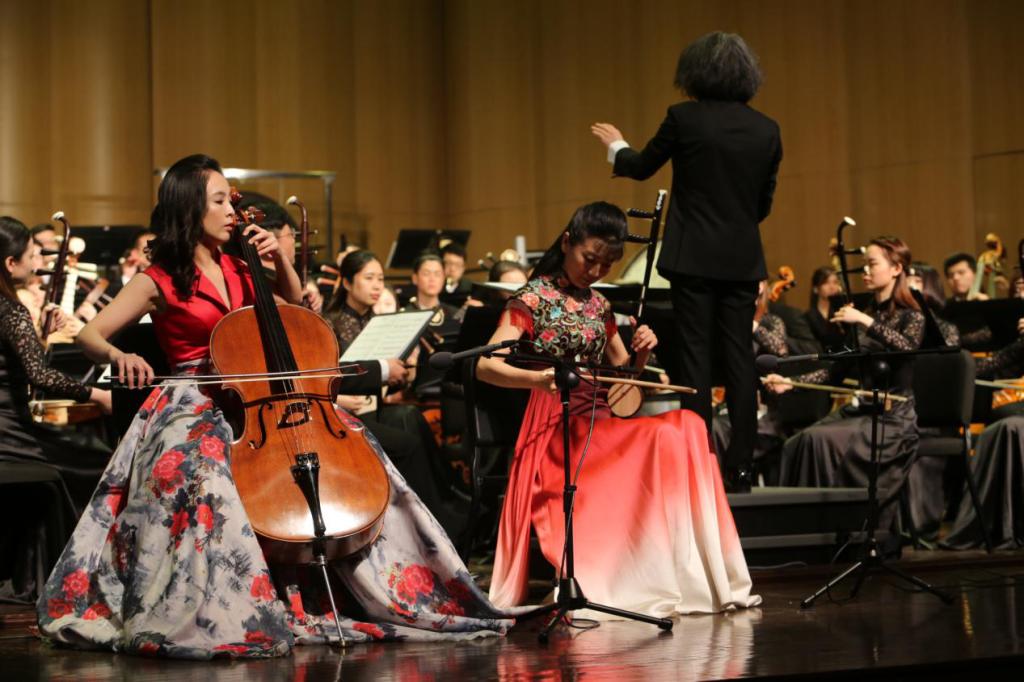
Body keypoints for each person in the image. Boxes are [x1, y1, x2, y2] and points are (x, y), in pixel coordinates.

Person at [36, 154, 507, 660]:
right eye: (219, 201)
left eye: (229, 201)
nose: (231, 212)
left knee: (363, 451)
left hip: (263, 397)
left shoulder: (242, 267)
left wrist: (279, 258)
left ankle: (399, 584)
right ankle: (222, 602)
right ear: (190, 208)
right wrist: (119, 355)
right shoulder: (158, 279)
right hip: (195, 396)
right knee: (204, 470)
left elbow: (295, 304)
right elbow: (90, 334)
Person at [478, 201, 759, 617]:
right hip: (557, 428)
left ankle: (688, 571)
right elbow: (486, 366)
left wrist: (641, 355)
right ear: (567, 243)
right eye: (589, 259)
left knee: (688, 424)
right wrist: (537, 379)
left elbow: (623, 377)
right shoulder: (531, 299)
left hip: (601, 422)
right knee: (668, 432)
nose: (594, 272)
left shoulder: (600, 306)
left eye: (606, 265)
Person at [591, 31, 782, 492]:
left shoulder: (684, 118)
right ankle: (742, 468)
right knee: (739, 359)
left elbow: (641, 166)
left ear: (695, 72)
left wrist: (616, 145)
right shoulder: (766, 129)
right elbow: (762, 204)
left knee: (695, 358)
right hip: (741, 260)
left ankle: (700, 463)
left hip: (692, 258)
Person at [770, 237, 924, 538]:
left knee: (819, 441)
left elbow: (907, 347)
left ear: (896, 268)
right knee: (797, 443)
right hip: (863, 413)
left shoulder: (912, 315)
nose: (865, 271)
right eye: (864, 264)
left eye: (872, 264)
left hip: (894, 419)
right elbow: (836, 370)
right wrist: (792, 383)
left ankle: (833, 532)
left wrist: (864, 321)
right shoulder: (865, 314)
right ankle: (797, 533)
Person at [1, 217, 113, 599]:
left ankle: (29, 571)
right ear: (10, 264)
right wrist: (98, 395)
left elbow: (18, 370)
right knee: (98, 461)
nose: (39, 263)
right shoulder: (11, 311)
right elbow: (41, 376)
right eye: (32, 255)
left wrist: (41, 338)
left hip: (8, 426)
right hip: (10, 431)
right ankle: (77, 576)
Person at [322, 249, 465, 535]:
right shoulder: (329, 323)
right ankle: (436, 518)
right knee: (407, 441)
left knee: (411, 415)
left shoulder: (377, 322)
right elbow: (326, 375)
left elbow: (385, 380)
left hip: (374, 407)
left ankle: (448, 501)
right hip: (341, 414)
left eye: (380, 279)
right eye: (369, 278)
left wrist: (405, 371)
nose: (377, 285)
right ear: (347, 283)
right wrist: (341, 397)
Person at [804, 266, 846, 353]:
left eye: (835, 282)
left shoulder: (844, 311)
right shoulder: (809, 316)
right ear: (816, 289)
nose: (832, 287)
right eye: (826, 283)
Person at [440, 242, 473, 308]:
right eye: (448, 263)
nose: (452, 269)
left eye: (457, 265)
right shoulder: (432, 288)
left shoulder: (470, 290)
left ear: (463, 268)